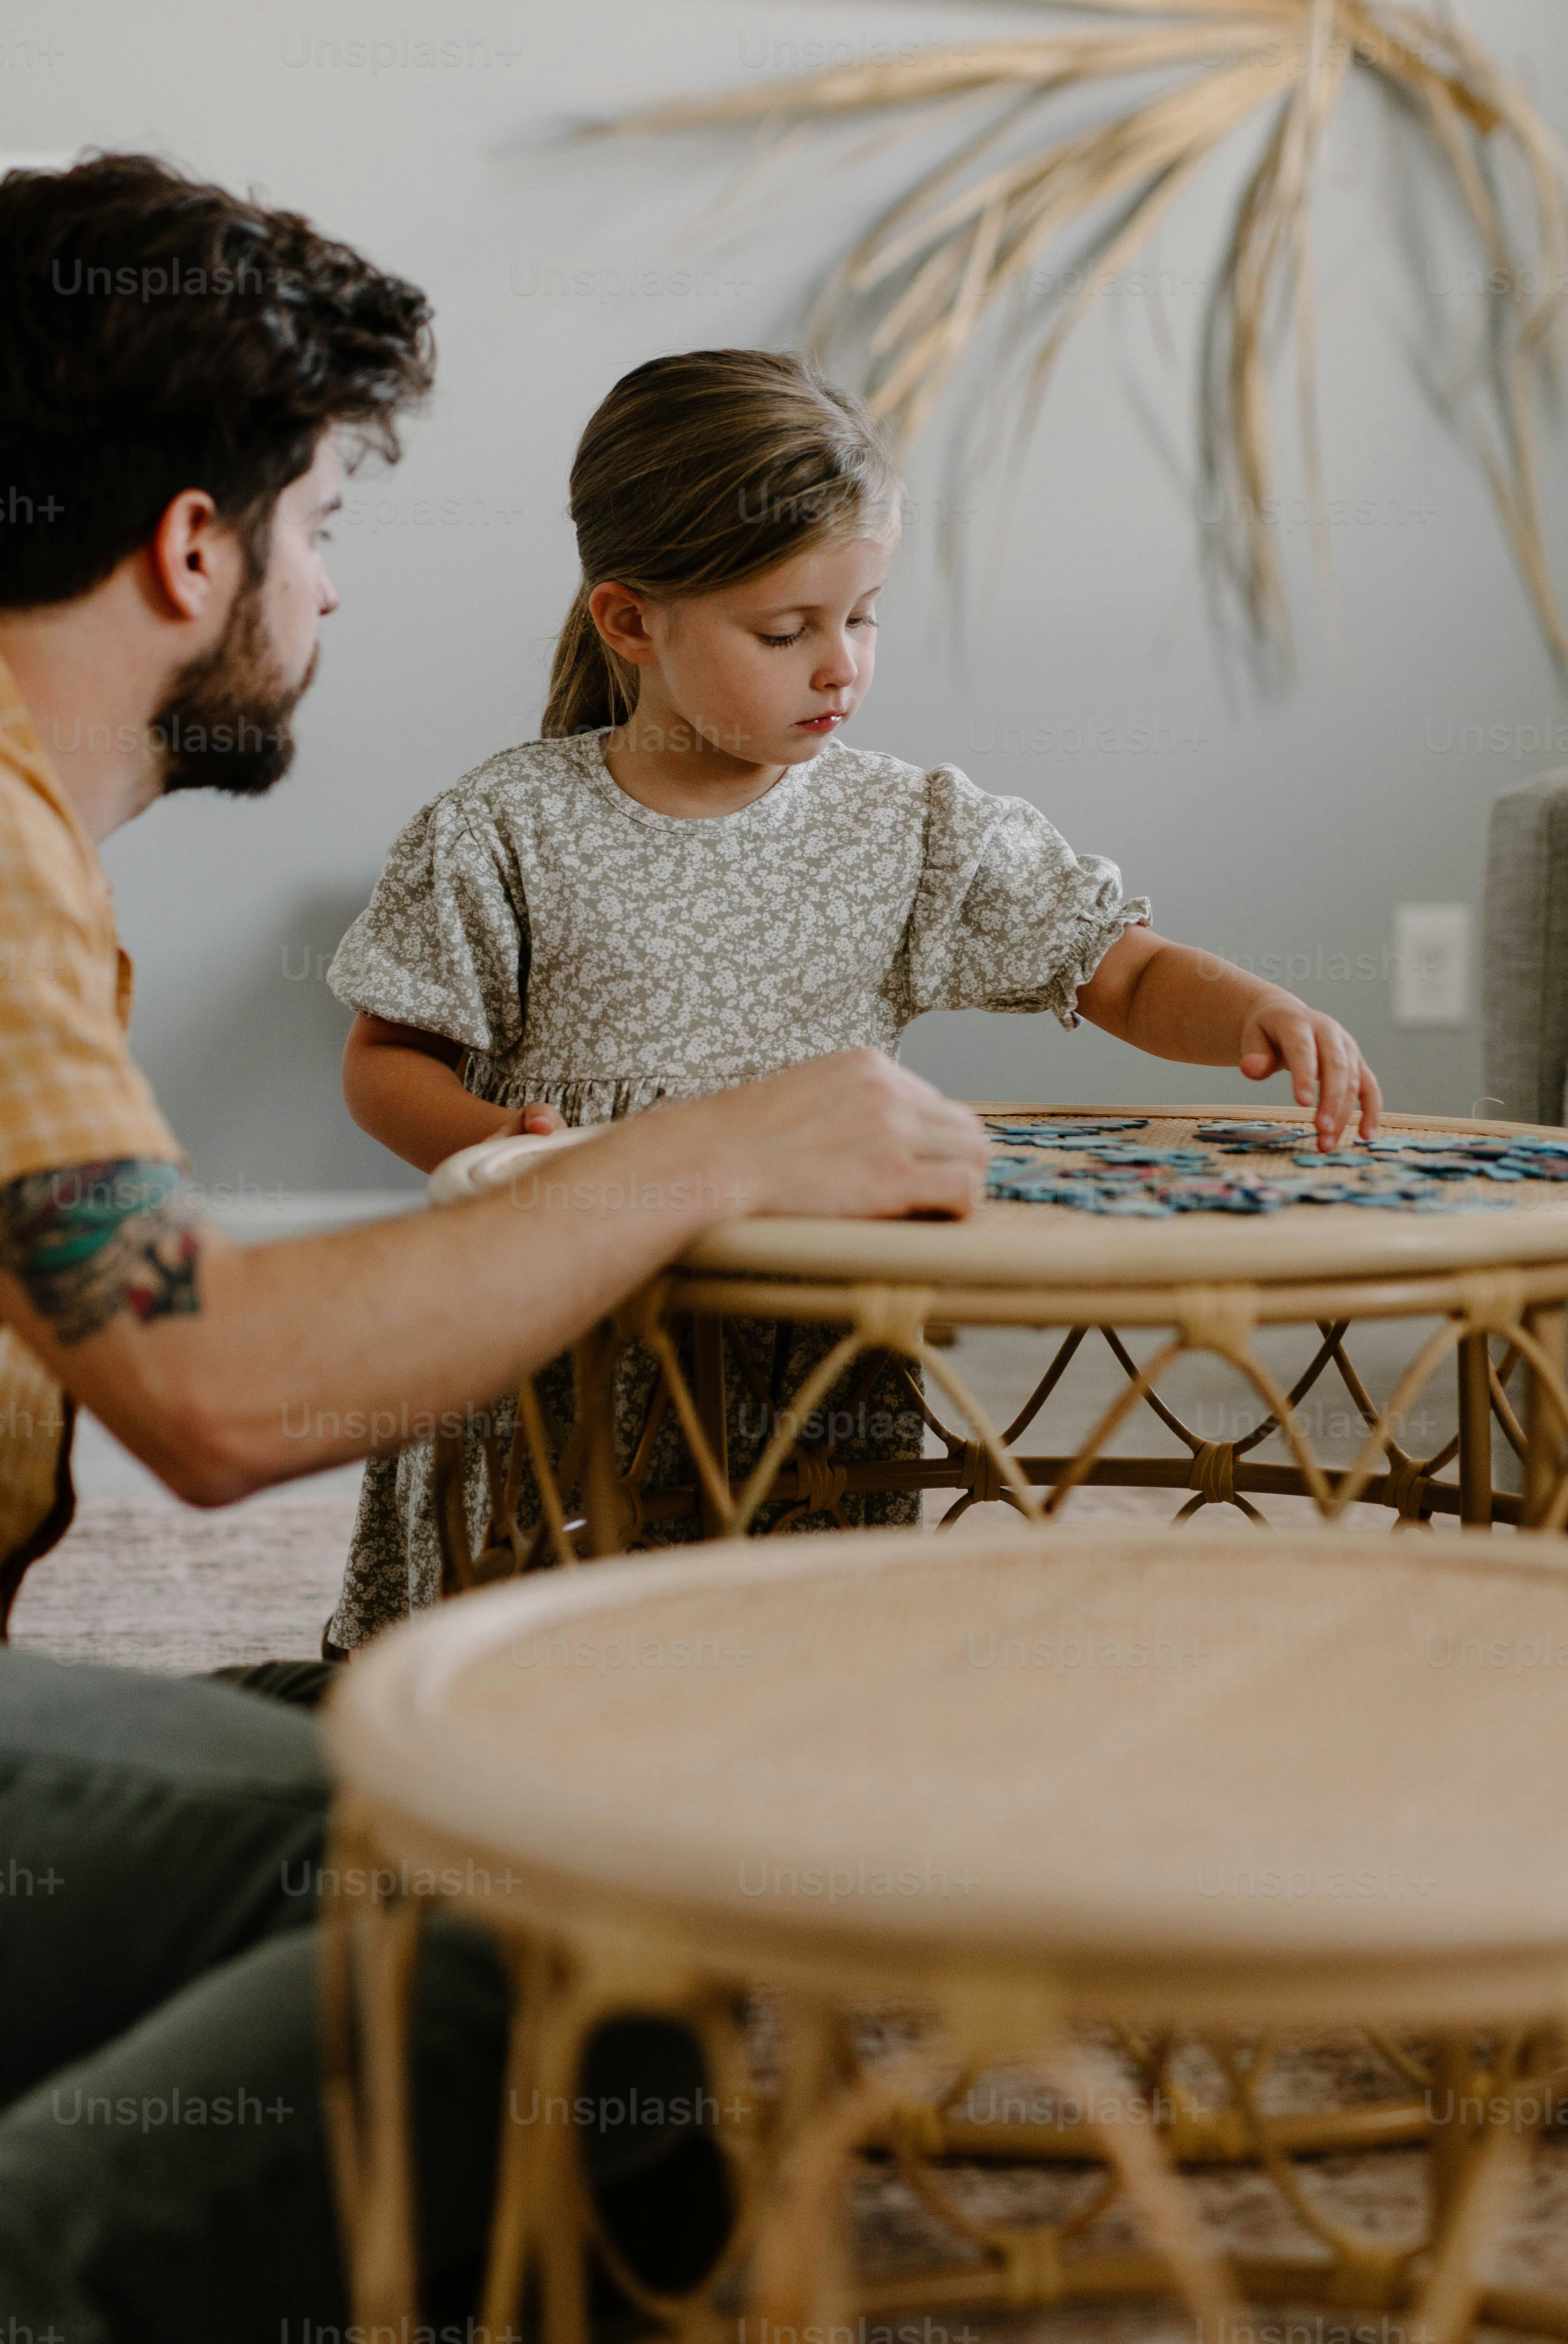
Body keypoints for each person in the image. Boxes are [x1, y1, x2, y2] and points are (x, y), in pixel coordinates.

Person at [0, 159, 991, 2344]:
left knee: (511, 1715)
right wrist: (715, 1147)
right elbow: (214, 1390)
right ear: (193, 553)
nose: (328, 591)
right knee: (532, 1909)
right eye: (317, 528)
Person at [325, 349, 1384, 1640]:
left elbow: (1121, 967)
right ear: (629, 622)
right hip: (570, 1323)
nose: (843, 667)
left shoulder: (910, 826)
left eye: (865, 616)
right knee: (550, 1656)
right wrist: (511, 1152)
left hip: (813, 1356)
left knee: (800, 1645)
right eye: (787, 632)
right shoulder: (508, 827)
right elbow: (385, 1062)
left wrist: (1255, 1012)